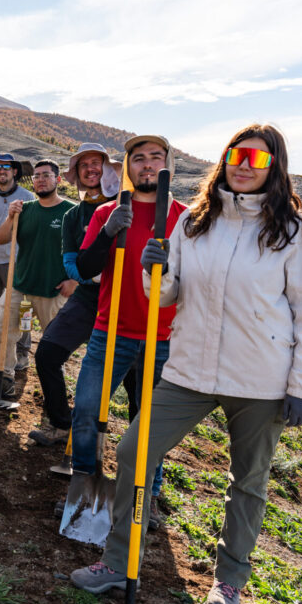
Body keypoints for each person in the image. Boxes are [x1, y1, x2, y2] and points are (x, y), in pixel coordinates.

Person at [70, 124, 302, 604]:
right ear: (224, 158)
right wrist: (158, 272)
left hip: (260, 379)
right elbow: (168, 296)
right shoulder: (193, 221)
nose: (242, 165)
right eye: (236, 155)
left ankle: (229, 581)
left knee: (247, 481)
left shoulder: (292, 230)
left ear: (274, 167)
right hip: (189, 370)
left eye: (256, 160)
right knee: (133, 451)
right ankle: (119, 561)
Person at [70, 136, 188, 528]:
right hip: (110, 332)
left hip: (163, 337)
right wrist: (106, 234)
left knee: (150, 422)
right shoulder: (107, 212)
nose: (147, 165)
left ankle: (147, 495)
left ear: (169, 165)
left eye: (156, 157)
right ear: (127, 168)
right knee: (87, 411)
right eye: (139, 159)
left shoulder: (186, 219)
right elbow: (84, 269)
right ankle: (85, 486)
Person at [29, 144, 125, 446]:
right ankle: (61, 424)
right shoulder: (73, 217)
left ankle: (138, 456)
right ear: (76, 175)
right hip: (88, 297)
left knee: (129, 378)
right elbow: (71, 263)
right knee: (46, 355)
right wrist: (91, 273)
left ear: (108, 169)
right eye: (84, 165)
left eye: (97, 163)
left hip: (126, 300)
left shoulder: (126, 205)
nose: (91, 169)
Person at [0, 160, 74, 397]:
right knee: (5, 329)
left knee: (55, 344)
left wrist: (75, 281)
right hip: (21, 287)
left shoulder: (71, 211)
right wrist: (10, 217)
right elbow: (0, 238)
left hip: (53, 291)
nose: (40, 179)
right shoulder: (24, 209)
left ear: (57, 180)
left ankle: (58, 395)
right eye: (37, 176)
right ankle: (3, 380)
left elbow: (84, 249)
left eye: (46, 175)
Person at [0, 153, 36, 368]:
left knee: (22, 309)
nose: (2, 170)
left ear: (14, 172)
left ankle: (22, 352)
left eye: (7, 167)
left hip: (18, 260)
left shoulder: (27, 196)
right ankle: (0, 348)